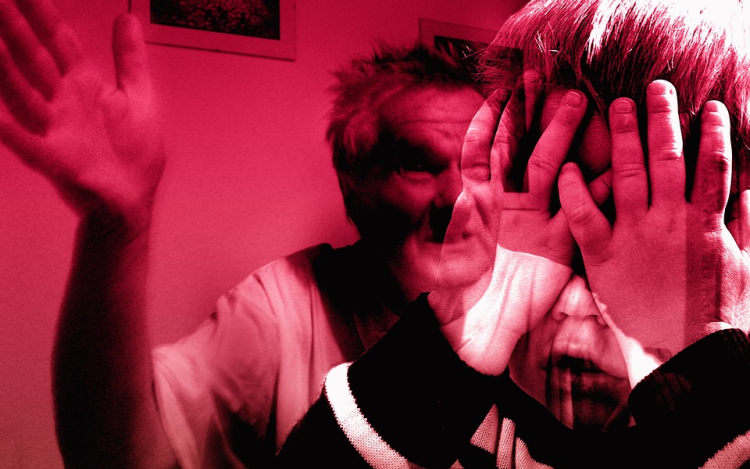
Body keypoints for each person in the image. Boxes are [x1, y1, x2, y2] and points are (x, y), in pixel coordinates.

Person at [0, 0, 486, 467]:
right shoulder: (285, 308)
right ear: (353, 190)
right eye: (417, 164)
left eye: (478, 166)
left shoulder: (531, 314)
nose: (459, 198)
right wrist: (117, 229)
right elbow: (121, 456)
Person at [274, 0, 750, 467]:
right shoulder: (448, 422)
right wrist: (456, 338)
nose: (575, 305)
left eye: (650, 240)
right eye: (550, 216)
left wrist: (702, 360)